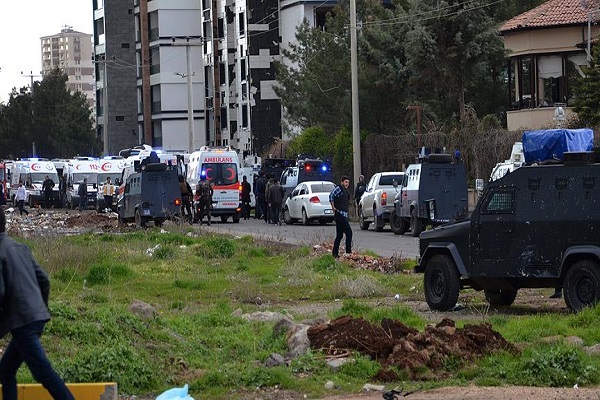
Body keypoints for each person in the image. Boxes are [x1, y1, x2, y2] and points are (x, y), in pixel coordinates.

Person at [0, 208, 75, 400]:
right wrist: (41, 308)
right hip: (35, 317)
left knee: (43, 372)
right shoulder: (19, 247)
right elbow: (44, 279)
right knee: (6, 370)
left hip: (22, 322)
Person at [329, 176, 353, 258]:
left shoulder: (345, 191)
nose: (347, 184)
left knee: (339, 235)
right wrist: (333, 207)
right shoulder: (339, 188)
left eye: (348, 182)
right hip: (339, 214)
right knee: (349, 233)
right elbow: (331, 196)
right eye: (346, 182)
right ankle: (348, 252)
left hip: (343, 215)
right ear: (342, 182)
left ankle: (335, 254)